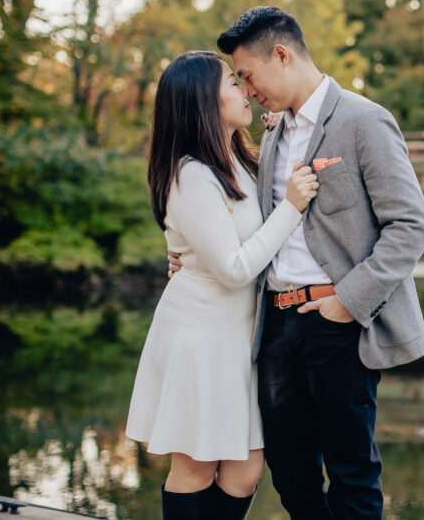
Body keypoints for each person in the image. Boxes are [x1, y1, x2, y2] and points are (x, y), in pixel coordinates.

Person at [171, 6, 424, 519]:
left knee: (352, 471)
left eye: (248, 75)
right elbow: (238, 216)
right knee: (289, 471)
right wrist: (183, 251)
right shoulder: (270, 134)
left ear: (282, 55)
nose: (247, 90)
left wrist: (348, 302)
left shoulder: (364, 120)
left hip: (337, 322)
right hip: (274, 326)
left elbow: (410, 226)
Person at [125, 50, 320, 520]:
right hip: (201, 337)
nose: (245, 90)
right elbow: (233, 268)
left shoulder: (237, 160)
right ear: (204, 103)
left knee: (245, 470)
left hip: (238, 336)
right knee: (195, 468)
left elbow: (222, 240)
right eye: (233, 84)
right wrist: (291, 208)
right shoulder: (192, 174)